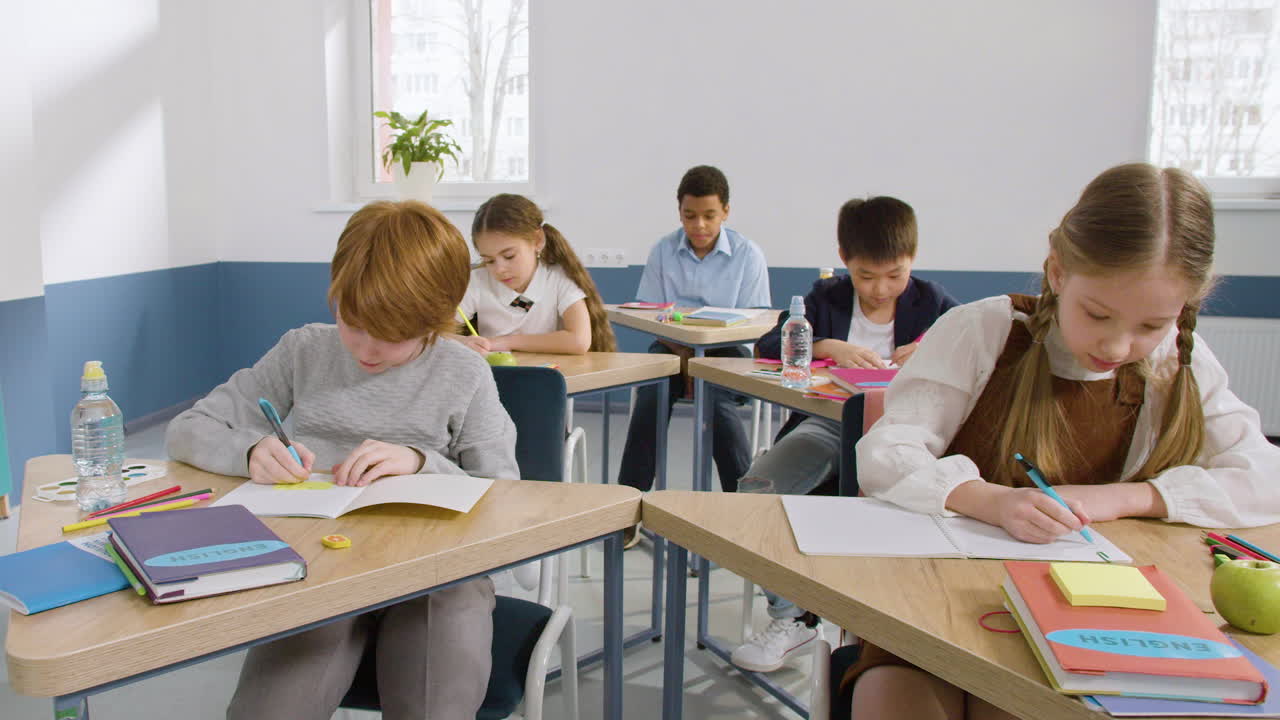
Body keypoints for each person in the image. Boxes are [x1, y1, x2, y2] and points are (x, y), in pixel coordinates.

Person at [843, 163, 1280, 720]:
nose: (1119, 345)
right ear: (1057, 272)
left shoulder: (1177, 360)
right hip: (937, 596)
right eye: (1097, 313)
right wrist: (990, 500)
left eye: (1151, 325)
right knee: (896, 702)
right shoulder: (984, 331)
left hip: (1085, 612)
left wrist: (1127, 496)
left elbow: (1266, 475)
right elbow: (884, 455)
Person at [166, 200, 516, 720]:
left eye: (392, 335)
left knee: (432, 705)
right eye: (352, 322)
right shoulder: (302, 351)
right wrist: (250, 452)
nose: (366, 349)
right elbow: (187, 430)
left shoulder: (465, 374)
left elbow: (505, 494)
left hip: (438, 574)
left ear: (434, 320)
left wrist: (422, 463)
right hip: (317, 564)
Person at [730, 196, 958, 673]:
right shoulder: (825, 299)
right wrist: (825, 345)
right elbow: (770, 344)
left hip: (908, 437)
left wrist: (929, 350)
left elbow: (979, 353)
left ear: (912, 261)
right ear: (846, 262)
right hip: (829, 425)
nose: (880, 289)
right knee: (757, 490)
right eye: (865, 276)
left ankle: (897, 634)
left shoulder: (933, 303)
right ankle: (792, 619)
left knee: (900, 522)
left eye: (894, 275)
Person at [617, 165, 771, 545]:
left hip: (726, 352)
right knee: (651, 396)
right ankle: (627, 507)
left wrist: (701, 359)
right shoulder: (663, 250)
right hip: (671, 344)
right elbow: (649, 312)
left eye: (709, 216)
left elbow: (755, 323)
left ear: (726, 212)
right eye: (690, 216)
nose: (699, 225)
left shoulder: (749, 255)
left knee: (716, 400)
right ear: (679, 212)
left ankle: (742, 512)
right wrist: (685, 355)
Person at [453, 193, 616, 354]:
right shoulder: (477, 281)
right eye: (489, 260)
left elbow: (579, 341)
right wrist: (465, 341)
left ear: (537, 240)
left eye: (509, 256)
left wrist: (506, 341)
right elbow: (436, 334)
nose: (499, 269)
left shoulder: (559, 279)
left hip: (550, 376)